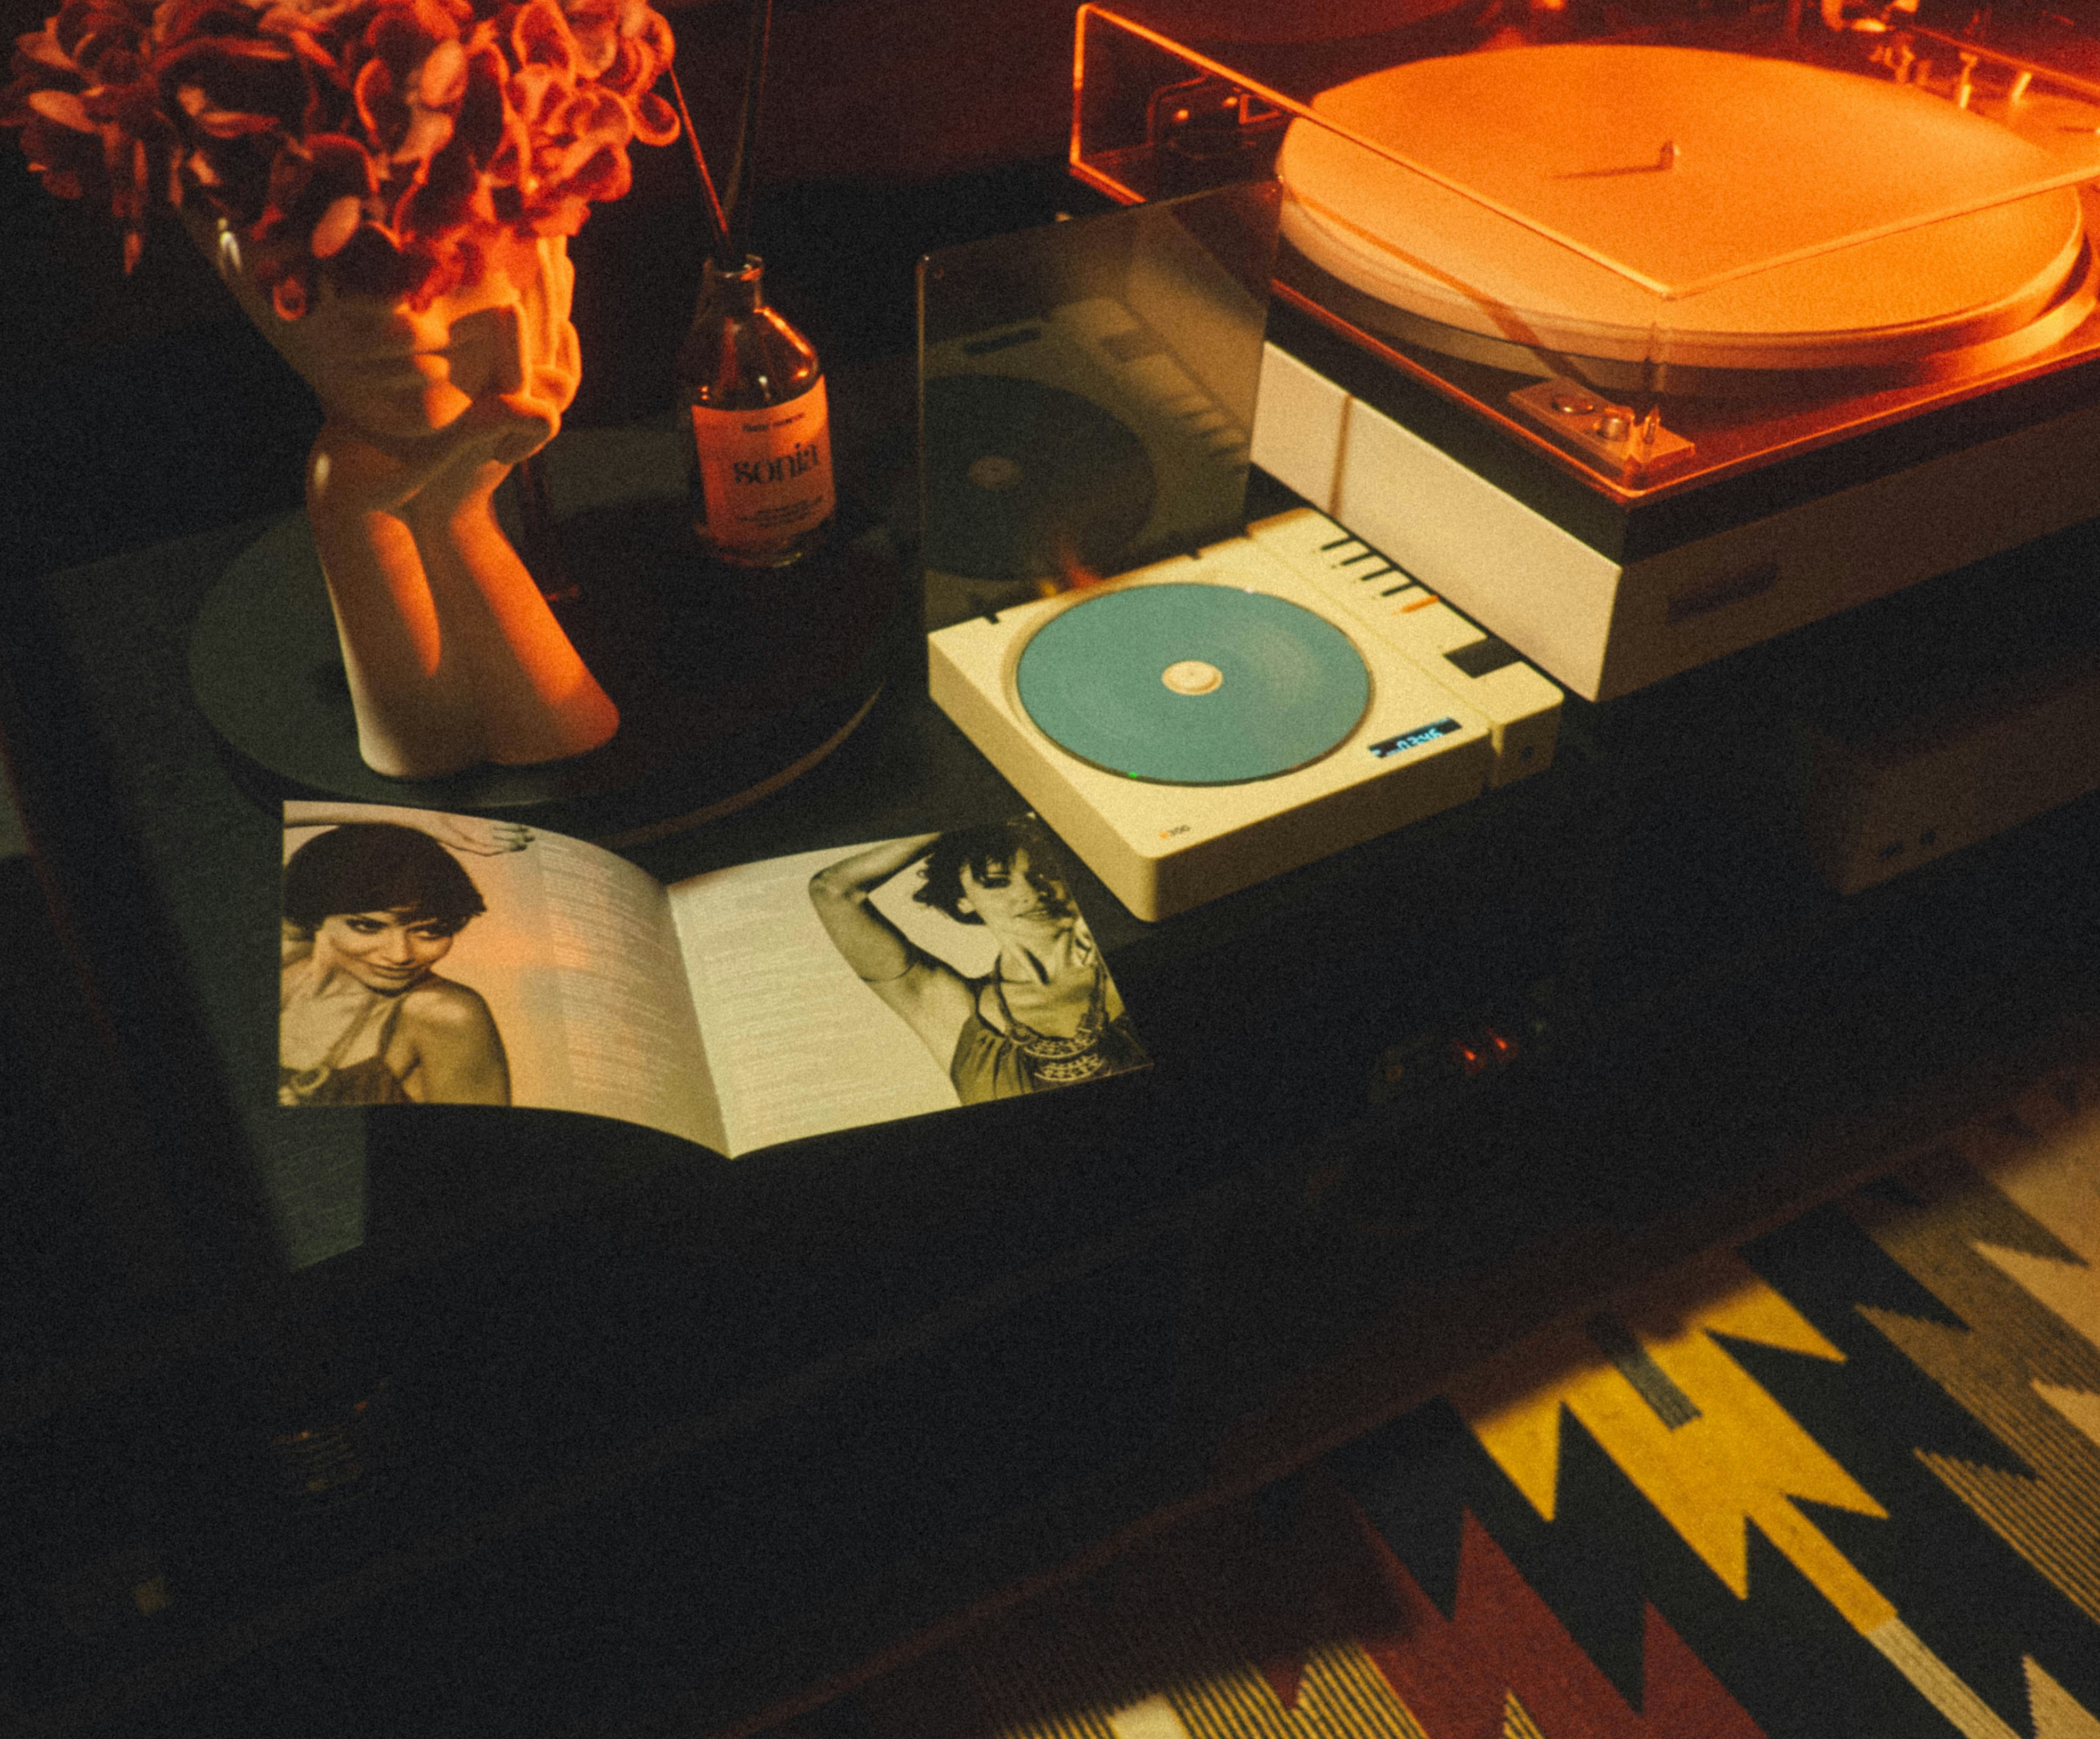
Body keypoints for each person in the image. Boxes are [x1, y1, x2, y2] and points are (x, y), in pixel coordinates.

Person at [808, 820, 1145, 1104]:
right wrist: (956, 821)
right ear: (963, 900)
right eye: (997, 882)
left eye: (1045, 874)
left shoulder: (1128, 955)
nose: (1030, 892)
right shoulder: (951, 1010)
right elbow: (834, 891)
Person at [280, 823, 510, 1107]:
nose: (401, 955)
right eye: (368, 926)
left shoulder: (444, 1013)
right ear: (315, 915)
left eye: (430, 931)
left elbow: (478, 1142)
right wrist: (431, 826)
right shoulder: (286, 963)